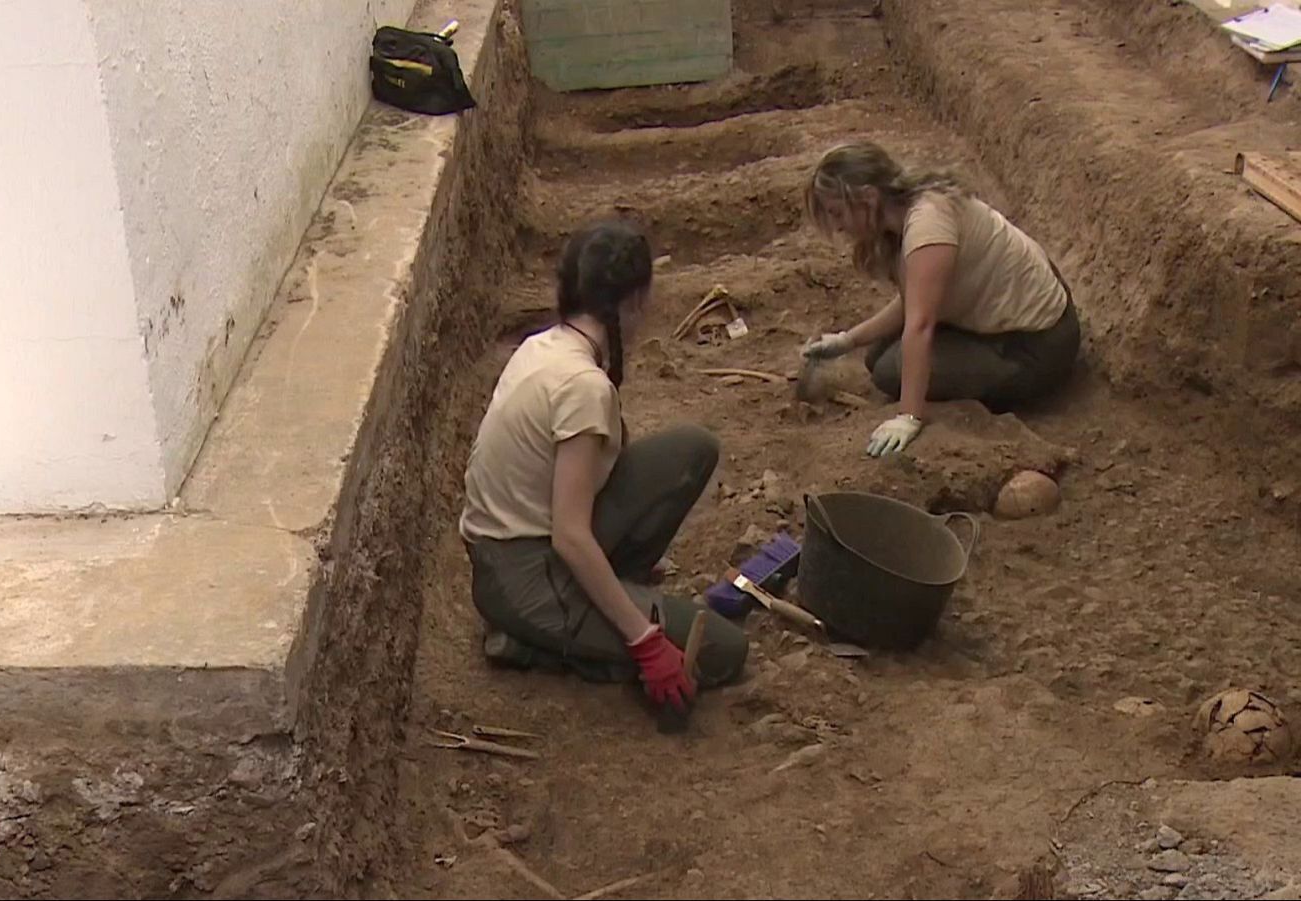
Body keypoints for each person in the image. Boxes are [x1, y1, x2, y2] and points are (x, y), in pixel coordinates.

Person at [459, 219, 748, 717]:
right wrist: (645, 641)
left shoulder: (544, 345)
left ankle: (602, 600)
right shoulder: (582, 388)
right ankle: (531, 642)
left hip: (513, 548)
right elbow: (570, 536)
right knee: (724, 650)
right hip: (526, 581)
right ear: (632, 302)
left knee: (691, 449)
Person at [800, 141, 1081, 457]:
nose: (837, 225)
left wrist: (908, 417)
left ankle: (1001, 387)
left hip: (1037, 345)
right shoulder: (907, 213)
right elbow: (913, 301)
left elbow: (919, 324)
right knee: (877, 356)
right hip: (1015, 314)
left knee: (890, 371)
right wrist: (847, 341)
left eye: (837, 213)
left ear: (868, 197)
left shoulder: (928, 225)